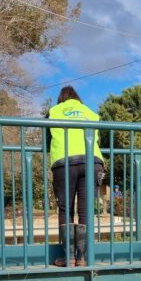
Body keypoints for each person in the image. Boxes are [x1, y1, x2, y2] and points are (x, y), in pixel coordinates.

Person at [47, 86, 105, 266]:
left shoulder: (54, 111)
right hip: (92, 161)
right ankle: (83, 257)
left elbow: (47, 139)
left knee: (66, 210)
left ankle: (69, 256)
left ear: (61, 98)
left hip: (64, 162)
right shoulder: (90, 113)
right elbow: (97, 139)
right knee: (86, 210)